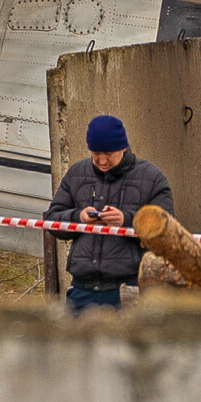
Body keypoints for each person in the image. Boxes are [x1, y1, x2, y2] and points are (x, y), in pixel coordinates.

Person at [45, 115, 173, 314]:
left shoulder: (152, 177)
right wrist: (79, 217)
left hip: (130, 291)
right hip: (81, 290)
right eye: (96, 153)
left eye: (109, 153)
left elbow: (166, 230)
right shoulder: (76, 173)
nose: (102, 161)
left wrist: (127, 221)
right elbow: (52, 220)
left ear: (123, 147)